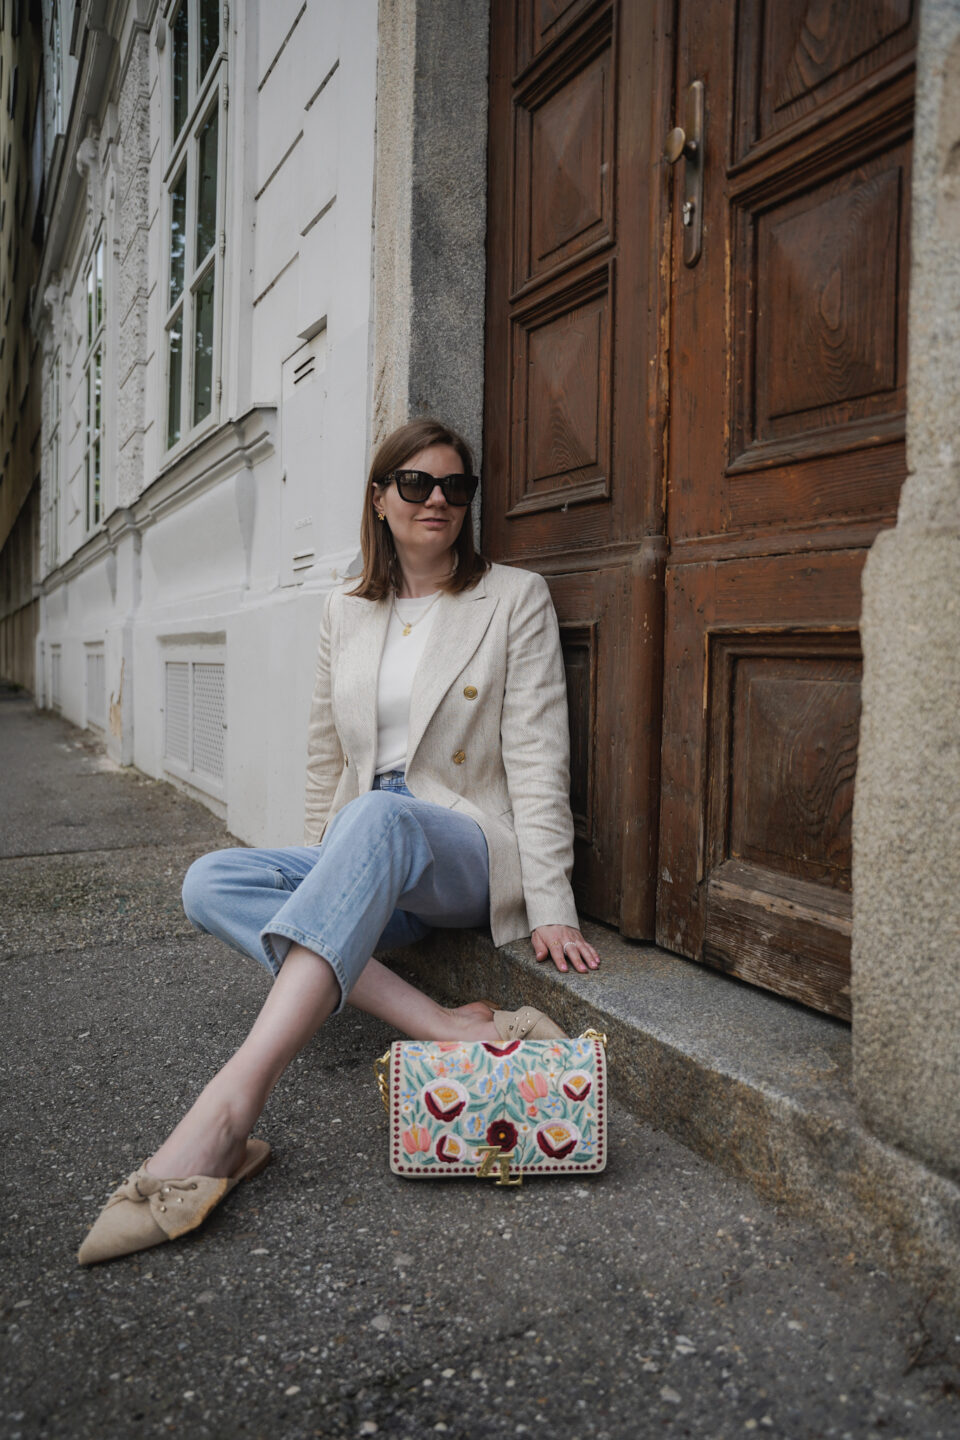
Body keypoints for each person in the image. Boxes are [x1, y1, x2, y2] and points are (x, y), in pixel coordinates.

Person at [78, 417, 600, 1265]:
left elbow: (540, 757)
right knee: (210, 881)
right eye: (417, 484)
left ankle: (226, 1116)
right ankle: (437, 1024)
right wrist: (333, 876)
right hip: (368, 836)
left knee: (380, 815)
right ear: (380, 498)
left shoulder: (513, 597)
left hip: (460, 845)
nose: (437, 500)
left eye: (455, 487)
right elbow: (329, 755)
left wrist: (553, 905)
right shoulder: (345, 609)